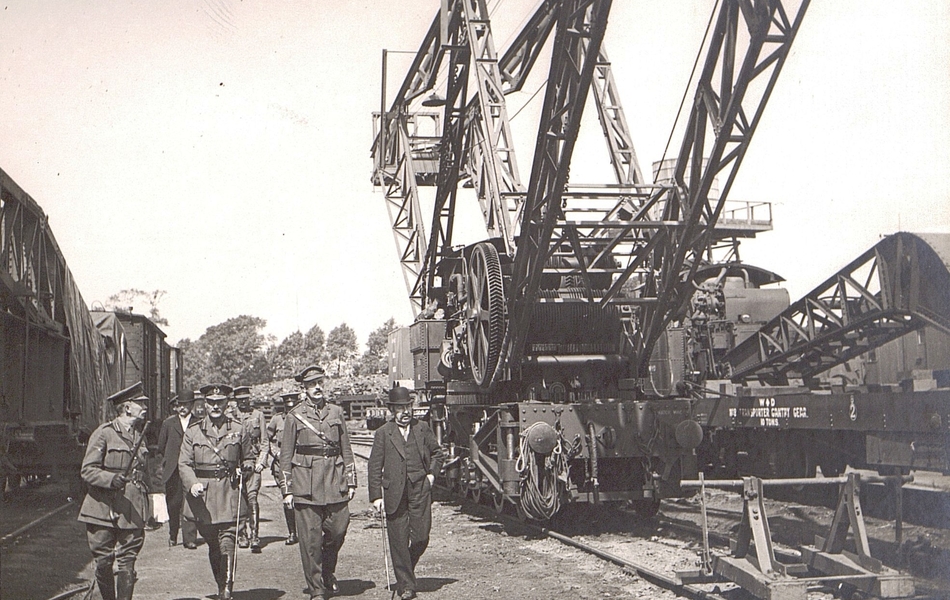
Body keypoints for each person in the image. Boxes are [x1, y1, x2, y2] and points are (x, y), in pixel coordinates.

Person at [280, 365, 357, 600]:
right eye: (312, 384)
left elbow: (346, 447)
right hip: (306, 484)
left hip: (335, 480)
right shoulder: (294, 416)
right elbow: (285, 454)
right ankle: (316, 588)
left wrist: (351, 481)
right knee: (310, 541)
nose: (317, 387)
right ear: (304, 388)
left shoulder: (335, 412)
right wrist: (287, 489)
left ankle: (327, 571)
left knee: (339, 528)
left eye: (320, 382)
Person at [368, 386, 444, 600]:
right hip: (394, 493)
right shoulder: (383, 433)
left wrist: (431, 475)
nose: (405, 412)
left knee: (421, 537)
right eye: (400, 408)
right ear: (392, 410)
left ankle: (405, 568)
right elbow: (374, 465)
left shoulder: (422, 428)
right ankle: (407, 585)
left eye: (408, 406)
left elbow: (438, 453)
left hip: (420, 489)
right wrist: (376, 496)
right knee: (399, 540)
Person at [78, 381, 151, 600]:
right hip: (103, 507)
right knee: (104, 561)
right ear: (127, 407)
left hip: (132, 506)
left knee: (128, 559)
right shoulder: (104, 434)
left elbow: (143, 472)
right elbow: (87, 470)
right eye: (140, 403)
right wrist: (111, 479)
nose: (145, 406)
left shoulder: (139, 434)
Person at [179, 384, 253, 600]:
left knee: (228, 540)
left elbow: (248, 457)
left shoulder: (239, 429)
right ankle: (221, 583)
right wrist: (192, 484)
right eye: (211, 402)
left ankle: (227, 590)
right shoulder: (194, 431)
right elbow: (184, 463)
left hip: (229, 492)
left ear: (226, 403)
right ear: (204, 404)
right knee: (213, 543)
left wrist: (246, 468)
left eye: (219, 402)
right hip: (203, 497)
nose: (215, 406)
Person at [156, 390, 199, 549]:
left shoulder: (198, 422)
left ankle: (190, 539)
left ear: (192, 405)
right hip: (172, 470)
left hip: (191, 468)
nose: (182, 408)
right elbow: (161, 446)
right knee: (173, 503)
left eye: (185, 405)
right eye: (179, 405)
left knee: (191, 502)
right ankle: (173, 535)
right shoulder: (168, 423)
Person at [232, 385, 268, 552]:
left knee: (252, 498)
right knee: (238, 499)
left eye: (246, 399)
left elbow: (265, 442)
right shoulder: (230, 417)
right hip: (236, 464)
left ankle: (255, 536)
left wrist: (261, 462)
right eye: (240, 400)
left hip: (253, 463)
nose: (243, 402)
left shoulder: (258, 415)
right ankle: (241, 534)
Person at [265, 390, 301, 545]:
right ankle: (292, 532)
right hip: (281, 464)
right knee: (288, 497)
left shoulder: (303, 418)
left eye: (293, 406)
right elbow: (266, 439)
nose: (290, 409)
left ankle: (305, 531)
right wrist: (275, 453)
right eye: (287, 406)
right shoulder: (277, 419)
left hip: (300, 463)